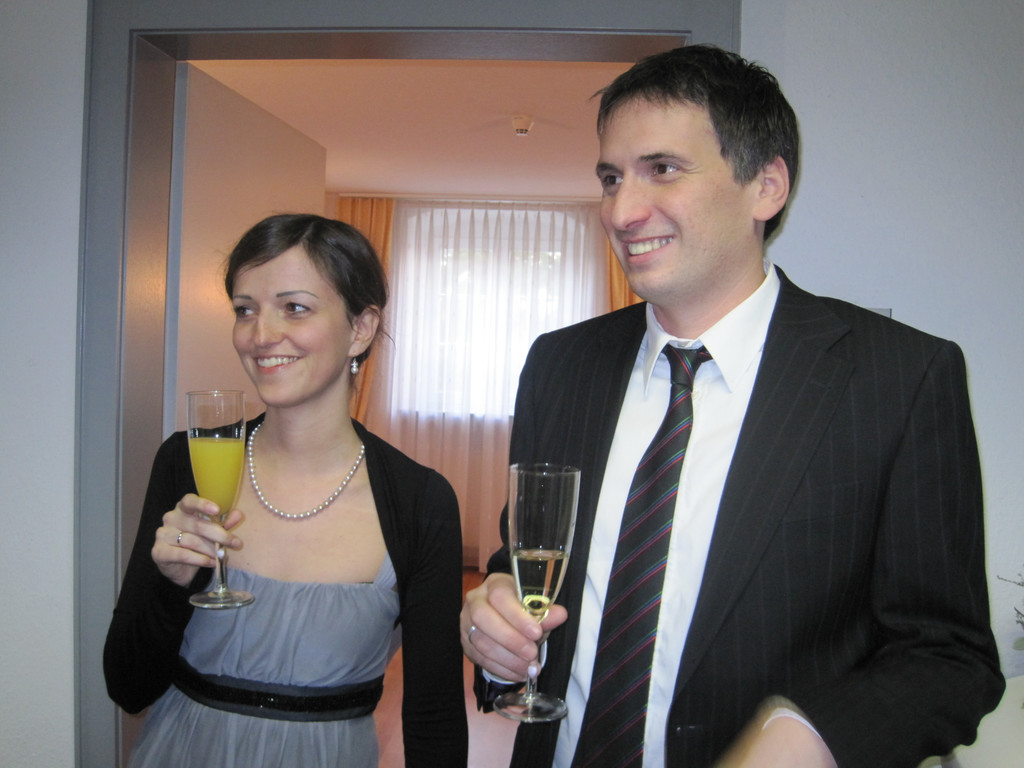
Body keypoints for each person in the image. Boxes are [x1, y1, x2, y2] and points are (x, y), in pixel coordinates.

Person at [461, 45, 1003, 768]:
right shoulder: (560, 366)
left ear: (765, 187)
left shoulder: (898, 379)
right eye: (611, 178)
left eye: (662, 169)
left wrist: (817, 737)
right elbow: (528, 563)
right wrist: (494, 630)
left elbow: (950, 657)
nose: (621, 211)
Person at [105, 213, 468, 767]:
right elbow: (128, 685)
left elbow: (434, 716)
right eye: (245, 309)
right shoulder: (187, 462)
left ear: (361, 328)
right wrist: (171, 584)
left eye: (294, 307)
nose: (260, 335)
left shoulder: (419, 502)